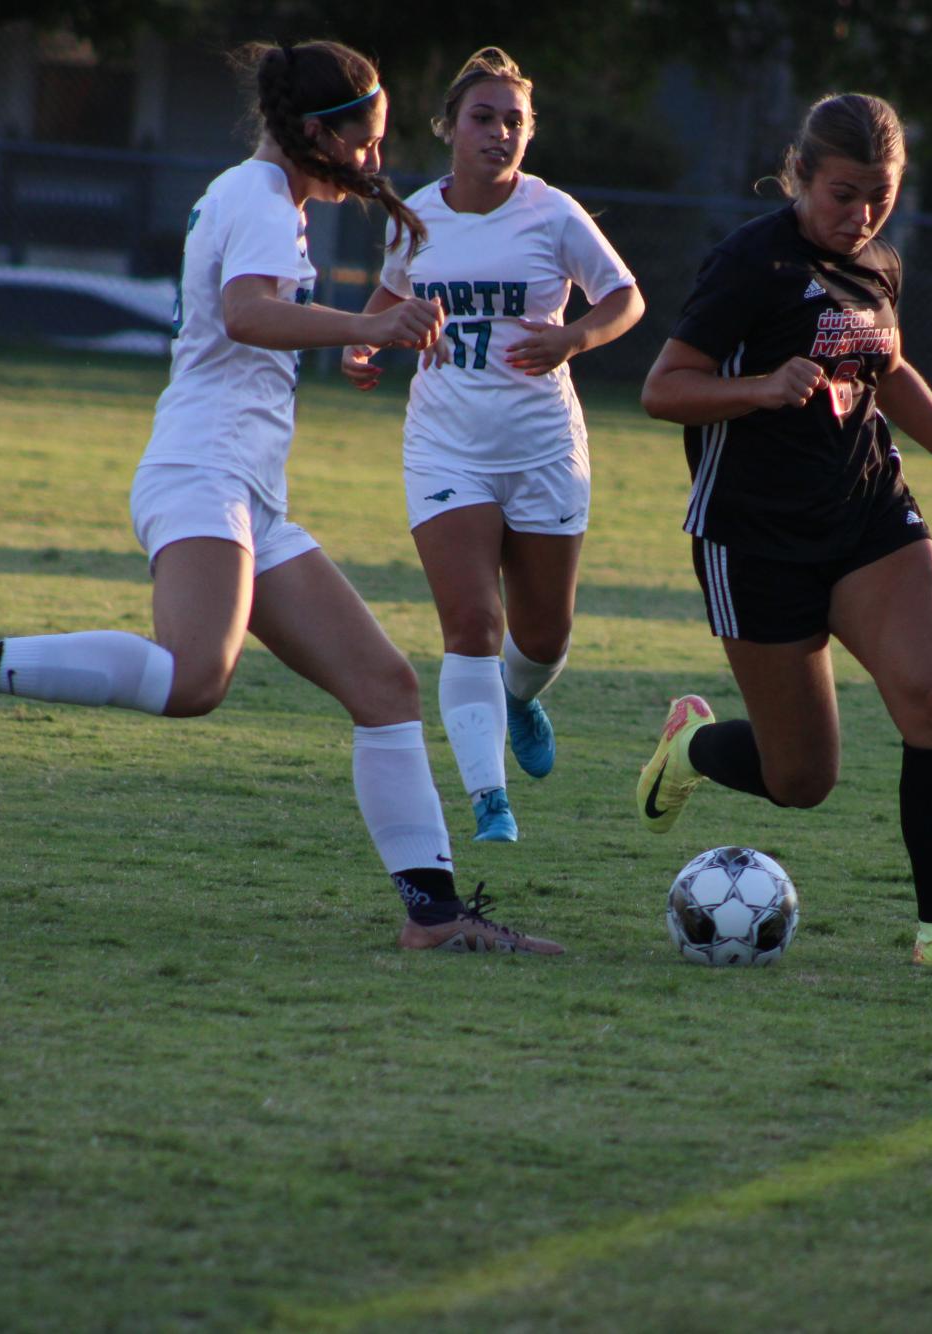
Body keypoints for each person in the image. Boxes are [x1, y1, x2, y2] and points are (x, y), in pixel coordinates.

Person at [0, 39, 560, 956]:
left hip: (247, 492)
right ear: (312, 133)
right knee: (194, 679)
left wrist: (360, 329)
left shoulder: (272, 199)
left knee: (385, 686)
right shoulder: (257, 197)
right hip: (200, 473)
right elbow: (248, 313)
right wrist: (370, 321)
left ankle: (436, 916)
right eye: (363, 143)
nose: (374, 163)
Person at [636, 92, 932, 974]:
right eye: (843, 195)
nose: (861, 215)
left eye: (880, 195)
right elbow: (663, 388)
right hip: (754, 538)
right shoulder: (747, 264)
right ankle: (693, 747)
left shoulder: (877, 265)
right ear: (799, 178)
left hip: (868, 514)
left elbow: (888, 370)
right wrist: (757, 389)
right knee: (802, 781)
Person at [342, 47, 643, 844]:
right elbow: (395, 291)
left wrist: (572, 339)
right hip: (446, 447)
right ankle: (488, 800)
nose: (499, 133)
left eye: (515, 121)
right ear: (449, 126)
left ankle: (517, 696)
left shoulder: (553, 213)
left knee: (541, 638)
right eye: (483, 117)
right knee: (472, 624)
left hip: (543, 447)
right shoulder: (416, 215)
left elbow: (625, 297)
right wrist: (366, 342)